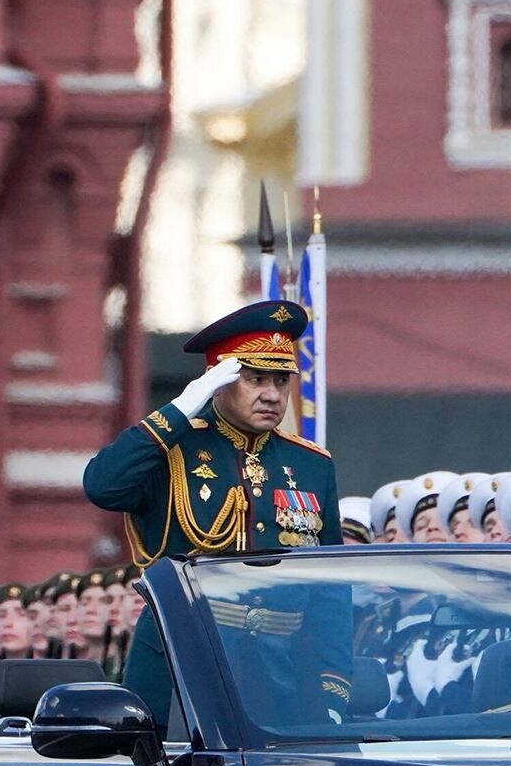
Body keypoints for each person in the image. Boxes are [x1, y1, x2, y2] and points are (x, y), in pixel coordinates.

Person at [82, 298, 347, 724]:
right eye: (255, 379)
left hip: (284, 671)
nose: (272, 395)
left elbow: (331, 585)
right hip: (184, 658)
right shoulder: (172, 448)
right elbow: (102, 486)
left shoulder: (312, 464)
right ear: (217, 382)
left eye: (281, 381)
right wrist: (179, 412)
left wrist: (333, 684)